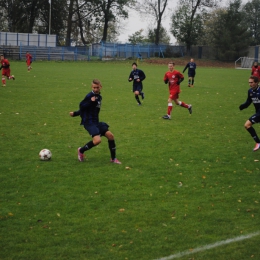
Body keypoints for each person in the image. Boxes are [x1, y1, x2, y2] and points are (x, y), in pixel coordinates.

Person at [69, 79, 121, 164]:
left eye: (97, 87)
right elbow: (82, 106)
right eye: (94, 87)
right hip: (89, 123)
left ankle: (113, 158)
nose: (96, 89)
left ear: (101, 87)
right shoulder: (89, 96)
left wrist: (75, 113)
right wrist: (90, 102)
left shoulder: (99, 97)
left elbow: (87, 109)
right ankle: (81, 151)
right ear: (91, 87)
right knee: (97, 141)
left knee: (110, 136)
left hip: (96, 122)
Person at [239, 75, 260, 151]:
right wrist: (243, 106)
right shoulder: (250, 91)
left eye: (252, 82)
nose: (250, 84)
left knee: (247, 124)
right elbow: (249, 101)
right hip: (258, 112)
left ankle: (258, 142)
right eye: (249, 82)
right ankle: (258, 142)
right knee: (247, 125)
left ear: (257, 82)